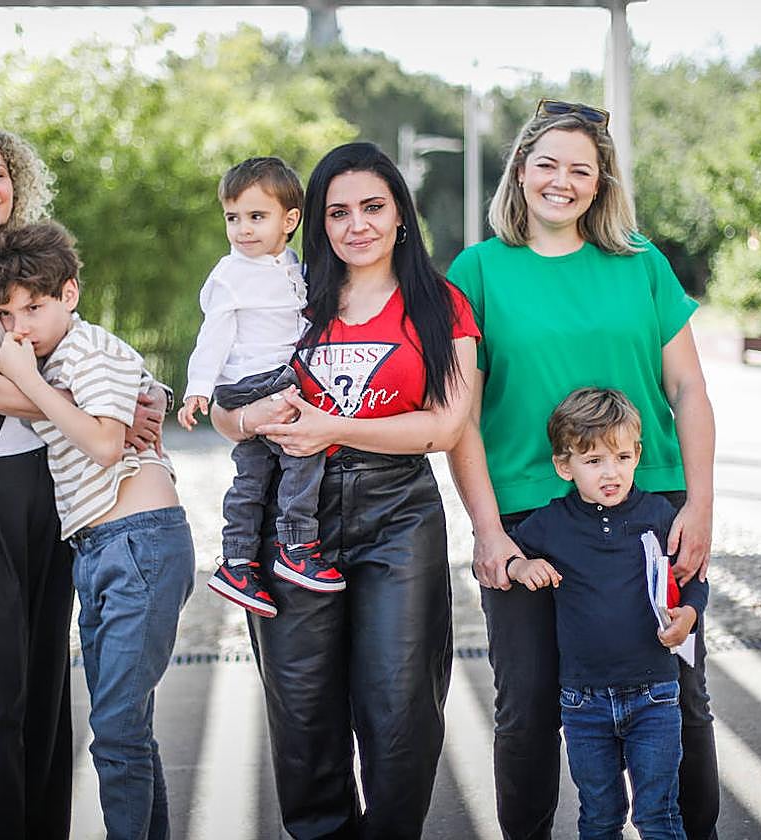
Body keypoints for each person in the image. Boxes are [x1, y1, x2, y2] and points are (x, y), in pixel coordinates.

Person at [446, 99, 720, 840]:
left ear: (600, 183)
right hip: (530, 519)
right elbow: (459, 418)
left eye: (580, 169)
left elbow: (689, 390)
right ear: (521, 172)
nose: (560, 181)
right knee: (529, 703)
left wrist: (698, 506)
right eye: (546, 165)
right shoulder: (476, 270)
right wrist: (488, 530)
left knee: (679, 694)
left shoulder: (642, 263)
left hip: (651, 504)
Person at [0, 121, 165, 838]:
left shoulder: (21, 273)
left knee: (43, 698)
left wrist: (142, 392)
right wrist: (94, 420)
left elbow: (84, 353)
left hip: (42, 493)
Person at [211, 141, 480, 839]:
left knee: (400, 714)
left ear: (400, 215)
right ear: (315, 221)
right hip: (294, 519)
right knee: (302, 717)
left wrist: (335, 426)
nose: (355, 224)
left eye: (372, 207)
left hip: (398, 518)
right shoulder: (288, 293)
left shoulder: (440, 302)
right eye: (338, 211)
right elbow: (224, 404)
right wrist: (245, 417)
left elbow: (447, 426)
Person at [0, 220, 194, 840]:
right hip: (99, 549)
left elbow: (101, 443)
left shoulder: (87, 350)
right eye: (8, 313)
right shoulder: (58, 353)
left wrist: (29, 380)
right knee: (127, 730)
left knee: (117, 734)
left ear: (69, 294)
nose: (21, 326)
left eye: (35, 307)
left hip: (138, 543)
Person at [506, 387, 709, 840]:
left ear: (637, 454)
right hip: (583, 703)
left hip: (655, 695)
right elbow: (502, 556)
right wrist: (522, 565)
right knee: (599, 817)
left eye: (621, 457)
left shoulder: (658, 514)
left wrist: (691, 613)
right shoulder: (551, 523)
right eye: (593, 461)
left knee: (658, 816)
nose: (611, 472)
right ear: (565, 466)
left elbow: (694, 577)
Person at [178, 157, 338, 620]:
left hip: (270, 376)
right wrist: (199, 388)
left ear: (289, 220)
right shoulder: (232, 274)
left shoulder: (288, 263)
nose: (243, 229)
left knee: (253, 474)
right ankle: (296, 546)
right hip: (255, 380)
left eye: (256, 217)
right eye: (233, 218)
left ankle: (237, 562)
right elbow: (214, 335)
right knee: (305, 450)